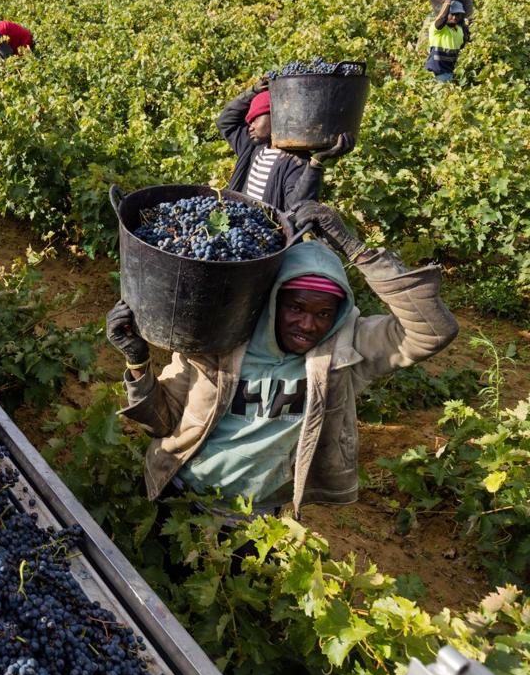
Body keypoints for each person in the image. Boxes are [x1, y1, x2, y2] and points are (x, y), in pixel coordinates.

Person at [105, 201, 458, 520]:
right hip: (177, 496)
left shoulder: (343, 351)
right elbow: (160, 424)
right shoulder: (221, 339)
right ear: (274, 300)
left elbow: (433, 330)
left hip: (253, 518)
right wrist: (138, 361)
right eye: (295, 307)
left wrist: (356, 249)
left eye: (323, 313)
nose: (308, 324)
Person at [215, 78, 353, 212]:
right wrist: (253, 91)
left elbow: (296, 207)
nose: (250, 126)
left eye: (255, 119)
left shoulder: (295, 161)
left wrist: (316, 162)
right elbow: (225, 121)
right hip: (237, 224)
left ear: (277, 117)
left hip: (261, 232)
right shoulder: (251, 147)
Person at [425, 0, 471, 82]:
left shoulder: (460, 30)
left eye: (457, 14)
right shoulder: (438, 29)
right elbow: (442, 17)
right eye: (452, 14)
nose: (454, 17)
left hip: (450, 73)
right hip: (436, 73)